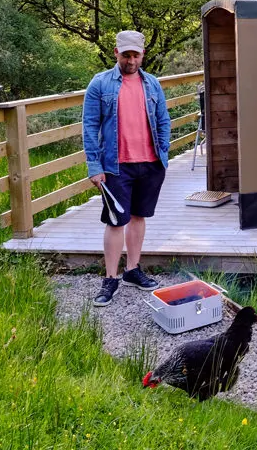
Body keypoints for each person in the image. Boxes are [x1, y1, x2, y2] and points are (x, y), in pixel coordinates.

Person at [82, 30, 172, 306]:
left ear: (142, 54)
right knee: (115, 221)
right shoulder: (100, 84)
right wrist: (95, 166)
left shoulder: (152, 84)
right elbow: (90, 126)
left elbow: (163, 119)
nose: (131, 60)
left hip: (149, 163)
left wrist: (163, 152)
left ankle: (132, 270)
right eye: (126, 55)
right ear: (116, 53)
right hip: (115, 167)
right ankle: (110, 279)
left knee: (138, 217)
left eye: (136, 55)